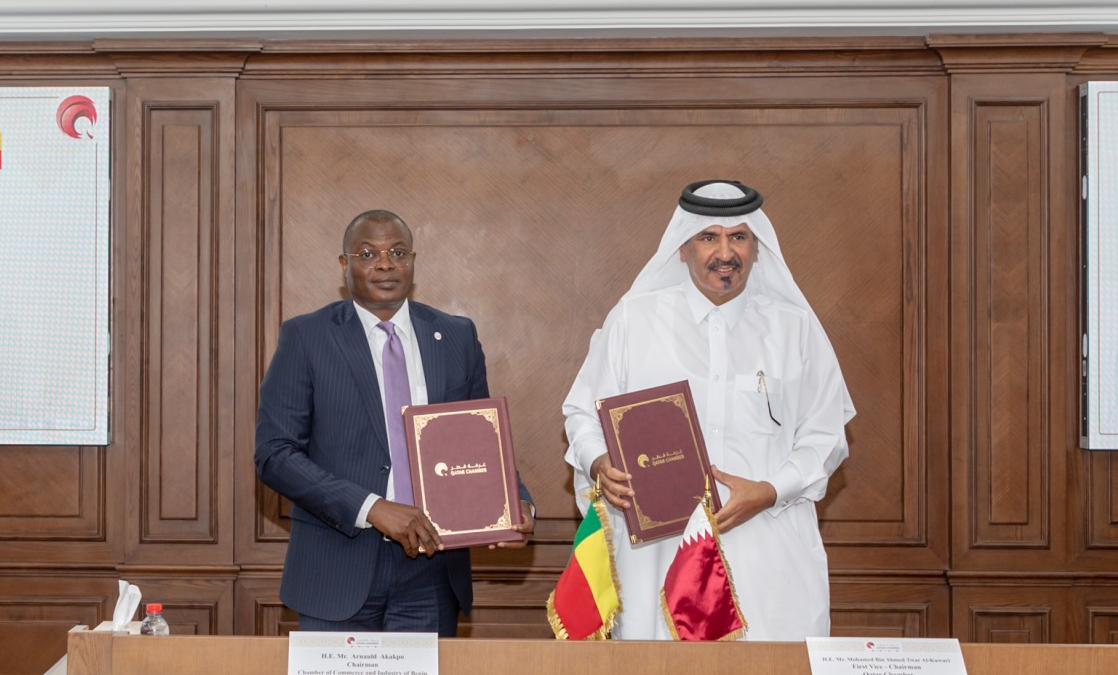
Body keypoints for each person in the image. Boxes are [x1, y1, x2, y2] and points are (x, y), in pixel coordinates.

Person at [562, 179, 855, 641]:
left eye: (738, 237)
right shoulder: (635, 321)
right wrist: (600, 462)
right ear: (682, 248)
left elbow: (826, 436)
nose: (725, 252)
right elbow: (582, 414)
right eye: (708, 237)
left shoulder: (794, 330)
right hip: (658, 559)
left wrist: (771, 490)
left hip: (769, 552)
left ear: (756, 249)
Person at [255, 209, 534, 635]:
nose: (385, 264)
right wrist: (372, 508)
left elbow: (480, 437)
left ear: (413, 261)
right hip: (336, 569)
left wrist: (516, 501)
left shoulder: (456, 336)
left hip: (432, 571)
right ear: (345, 264)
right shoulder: (307, 337)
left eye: (397, 252)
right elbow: (274, 455)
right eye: (368, 253)